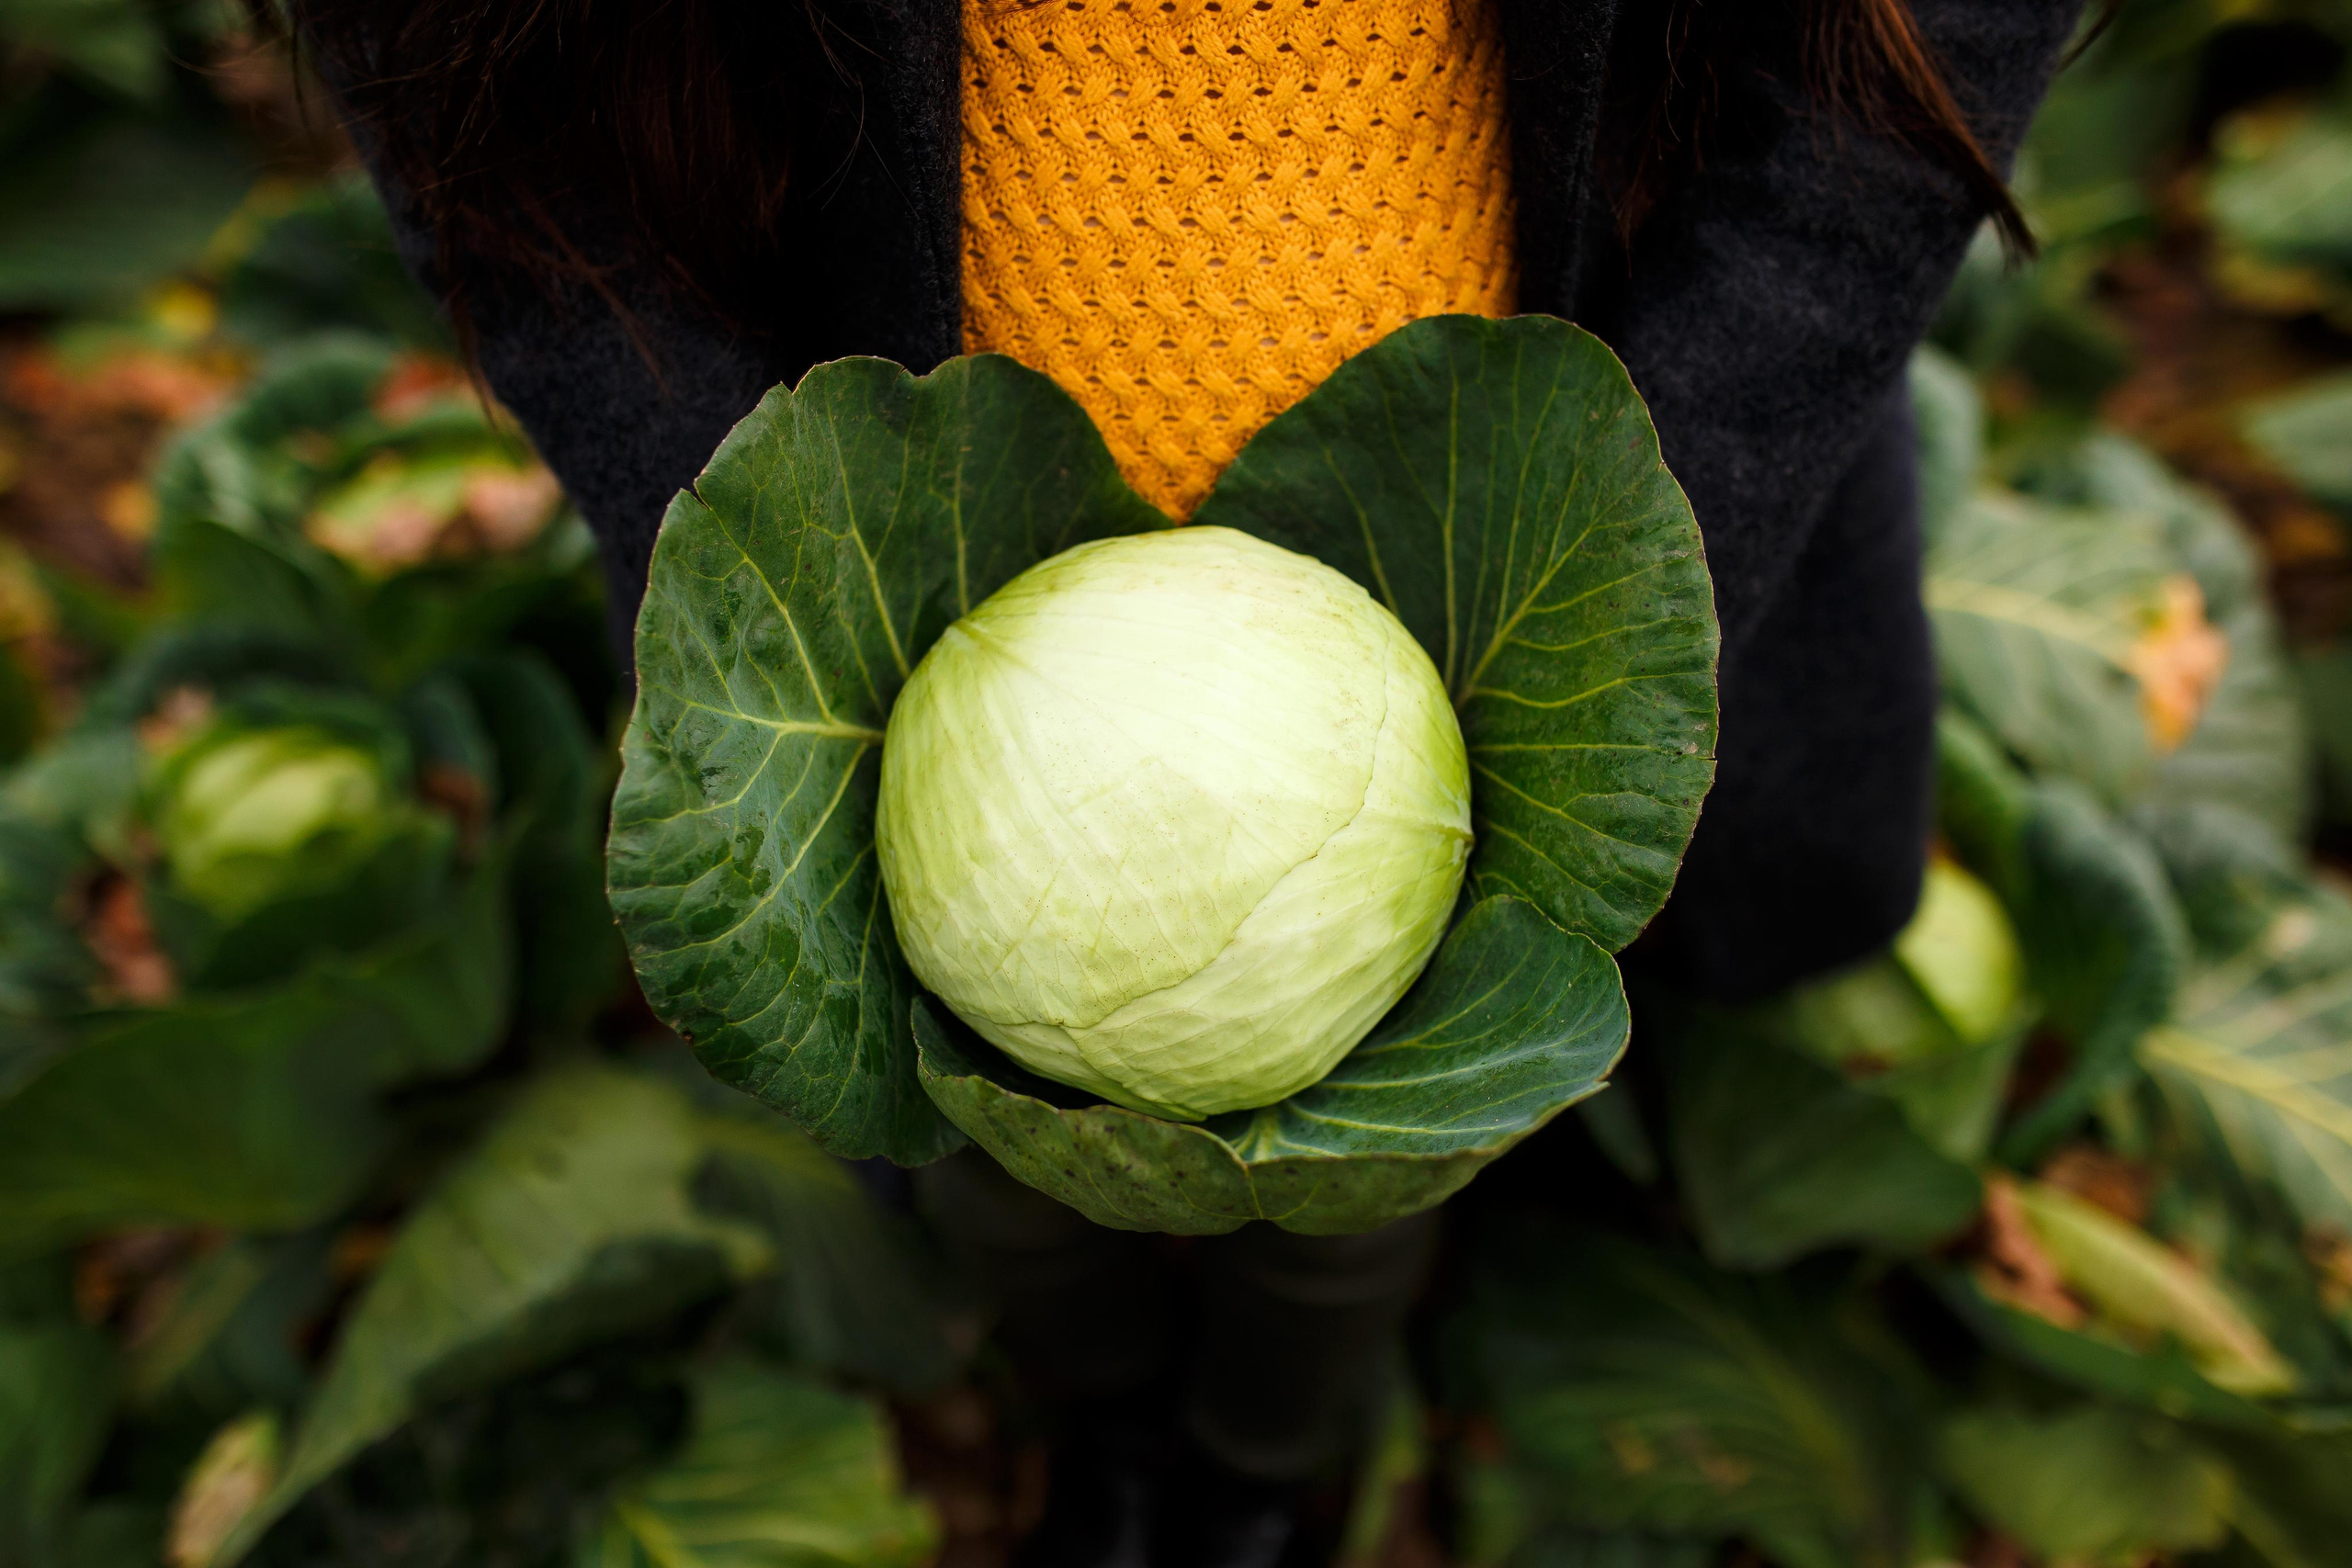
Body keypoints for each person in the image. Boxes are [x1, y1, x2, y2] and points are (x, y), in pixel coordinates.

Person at [277, 1, 2087, 1563]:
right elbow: (466, 97)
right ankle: (1109, 1418)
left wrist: (1625, 560)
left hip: (1492, 570)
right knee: (989, 1125)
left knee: (1381, 1147)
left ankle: (1266, 1460)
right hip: (901, 632)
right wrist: (777, 564)